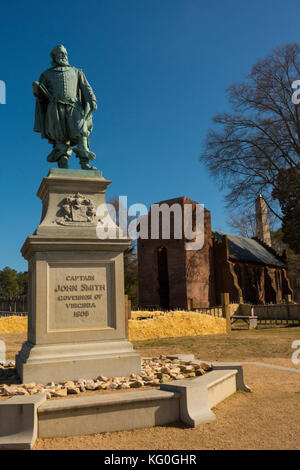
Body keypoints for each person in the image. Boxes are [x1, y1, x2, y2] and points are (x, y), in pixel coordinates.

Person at [33, 45, 98, 170]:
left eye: (65, 53)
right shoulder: (46, 74)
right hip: (55, 108)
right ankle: (63, 165)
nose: (63, 56)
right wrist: (37, 91)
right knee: (60, 136)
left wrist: (92, 100)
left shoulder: (77, 71)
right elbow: (41, 98)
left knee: (81, 132)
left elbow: (86, 88)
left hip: (74, 106)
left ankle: (85, 164)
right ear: (54, 57)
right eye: (60, 54)